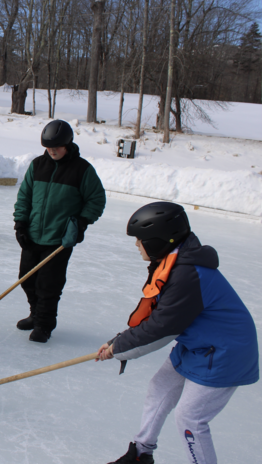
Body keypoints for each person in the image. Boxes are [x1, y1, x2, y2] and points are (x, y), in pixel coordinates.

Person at [98, 202, 258, 464]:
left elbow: (162, 328)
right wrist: (117, 341)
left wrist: (119, 348)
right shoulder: (173, 263)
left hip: (225, 354)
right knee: (159, 388)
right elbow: (157, 316)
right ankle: (141, 454)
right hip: (197, 345)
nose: (136, 245)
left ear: (159, 240)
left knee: (190, 419)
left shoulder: (187, 274)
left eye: (140, 240)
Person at [13, 119, 105, 343]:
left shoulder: (82, 169)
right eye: (48, 147)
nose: (52, 151)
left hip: (59, 239)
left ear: (68, 143)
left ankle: (44, 325)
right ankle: (35, 315)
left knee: (48, 284)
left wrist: (81, 222)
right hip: (33, 235)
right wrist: (21, 224)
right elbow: (24, 196)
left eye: (56, 147)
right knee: (26, 279)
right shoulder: (37, 165)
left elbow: (96, 200)